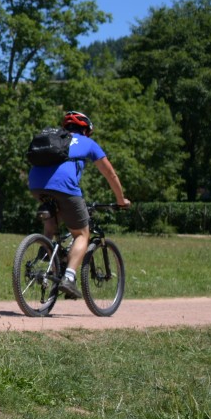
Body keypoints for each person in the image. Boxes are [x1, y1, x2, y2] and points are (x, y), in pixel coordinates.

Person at [28, 110, 131, 297]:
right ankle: (68, 277)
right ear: (86, 130)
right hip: (64, 187)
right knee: (82, 234)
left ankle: (46, 251)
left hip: (36, 184)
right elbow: (110, 174)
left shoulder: (55, 139)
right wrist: (120, 200)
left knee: (53, 224)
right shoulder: (88, 143)